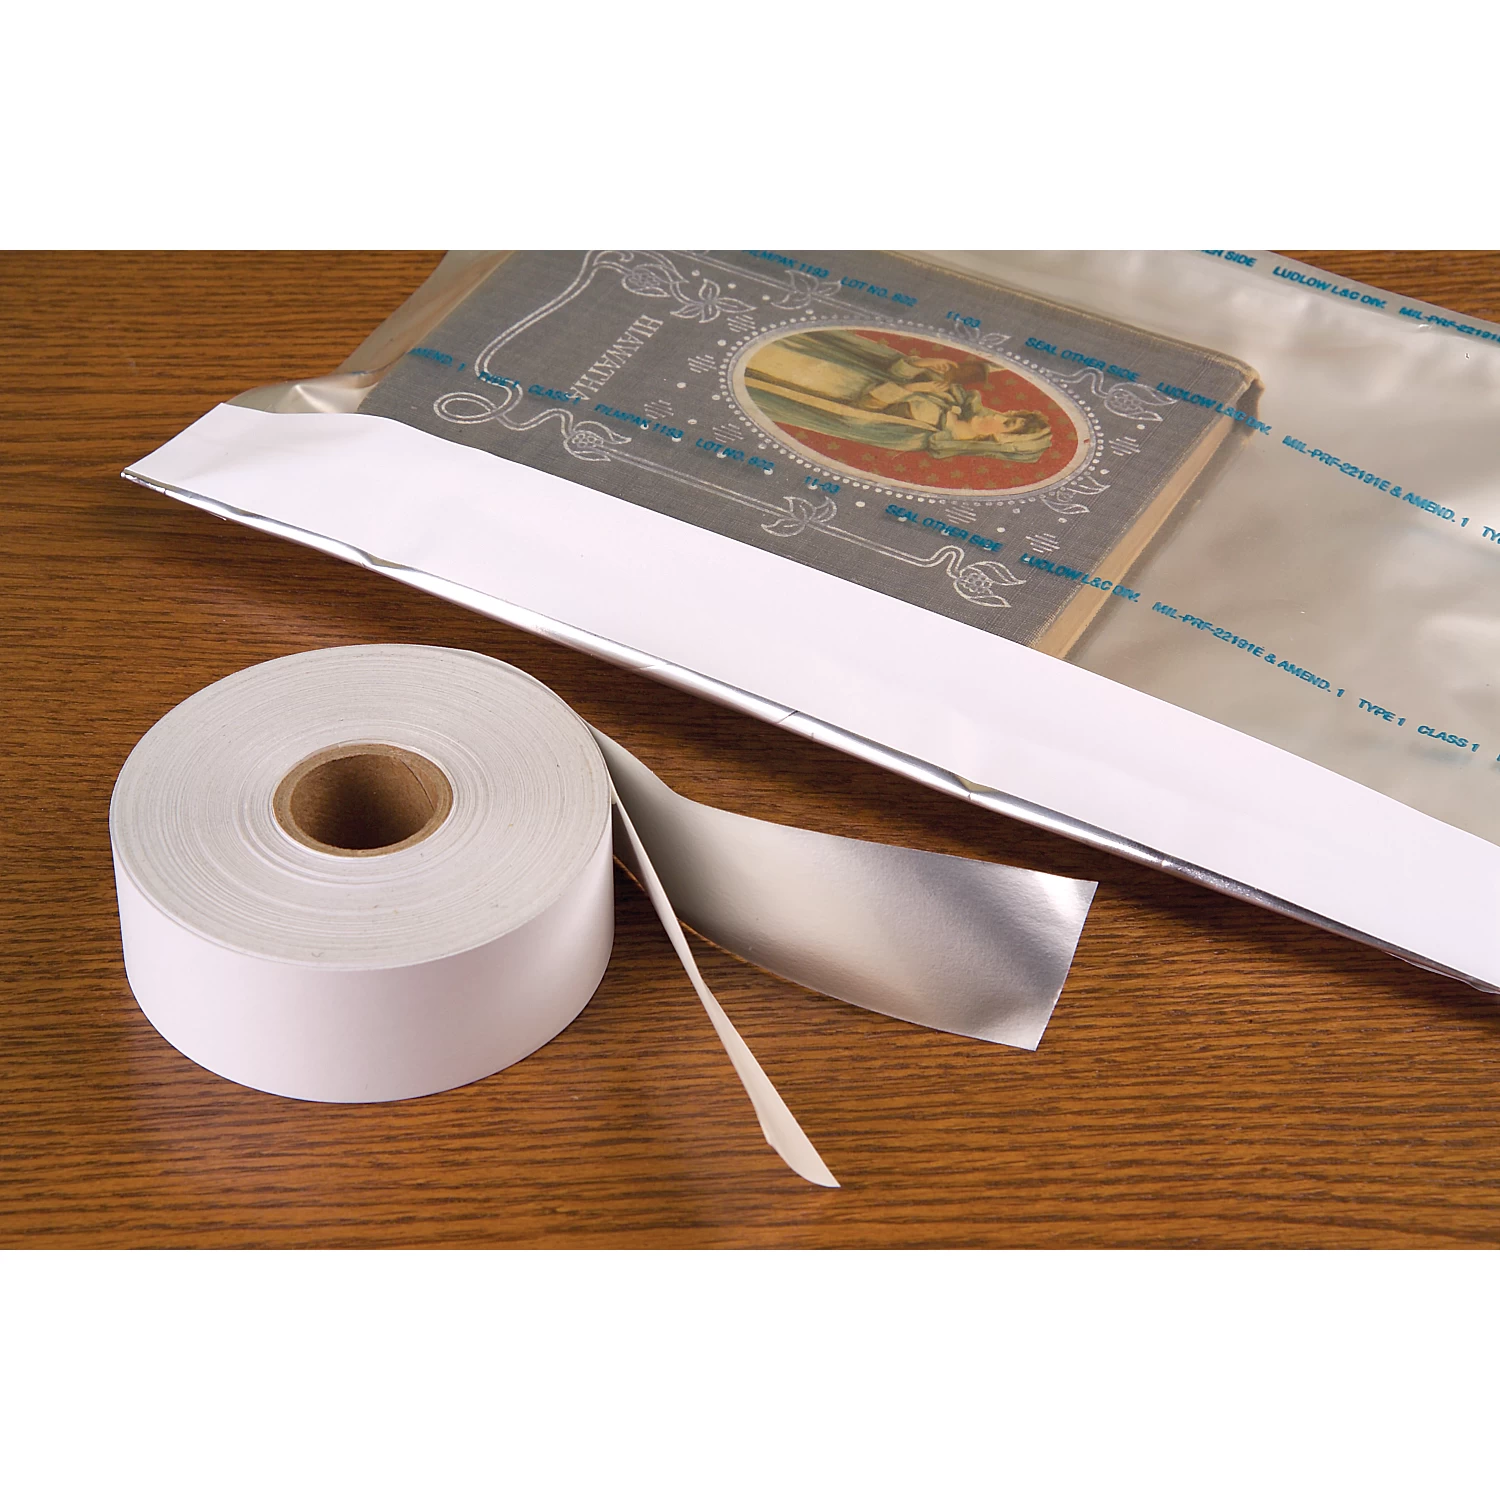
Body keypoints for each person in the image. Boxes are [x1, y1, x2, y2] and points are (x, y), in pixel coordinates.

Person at [742, 329, 1052, 462]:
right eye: (1008, 414)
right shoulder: (953, 401)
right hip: (838, 365)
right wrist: (921, 365)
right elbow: (893, 371)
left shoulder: (921, 436)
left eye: (1007, 423)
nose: (997, 414)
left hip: (815, 389)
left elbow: (857, 415)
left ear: (998, 439)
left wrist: (910, 390)